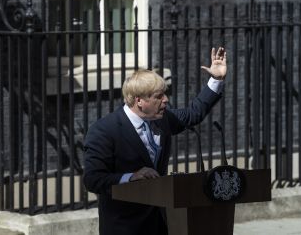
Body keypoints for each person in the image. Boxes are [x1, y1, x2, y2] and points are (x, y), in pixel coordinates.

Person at [84, 47, 227, 235]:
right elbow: (93, 179)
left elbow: (193, 114)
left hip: (160, 224)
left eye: (164, 94)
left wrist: (216, 79)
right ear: (139, 101)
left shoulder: (163, 119)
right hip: (125, 226)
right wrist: (130, 177)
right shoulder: (104, 130)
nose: (166, 100)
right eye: (158, 97)